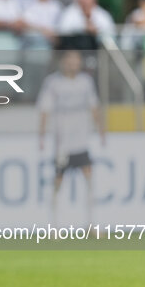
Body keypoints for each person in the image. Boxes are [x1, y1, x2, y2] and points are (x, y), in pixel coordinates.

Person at [37, 51, 105, 226]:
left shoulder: (86, 82)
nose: (73, 64)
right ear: (63, 62)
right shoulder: (53, 83)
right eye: (70, 60)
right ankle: (54, 224)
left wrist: (101, 131)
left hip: (82, 141)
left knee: (89, 180)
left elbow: (94, 108)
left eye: (76, 60)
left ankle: (92, 223)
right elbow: (45, 110)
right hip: (63, 144)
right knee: (58, 182)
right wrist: (42, 136)